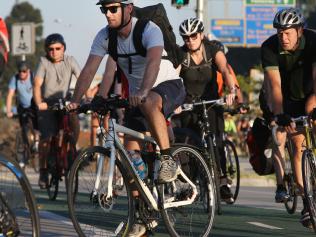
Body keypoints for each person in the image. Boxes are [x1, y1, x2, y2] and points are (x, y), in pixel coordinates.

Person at [66, 1, 186, 236]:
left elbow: (152, 62)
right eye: (104, 10)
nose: (108, 14)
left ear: (128, 8)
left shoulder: (149, 29)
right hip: (137, 97)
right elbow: (90, 69)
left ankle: (168, 159)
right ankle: (142, 215)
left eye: (113, 9)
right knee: (130, 159)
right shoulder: (105, 36)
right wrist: (76, 100)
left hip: (167, 85)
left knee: (150, 100)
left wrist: (142, 91)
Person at [261, 7, 316, 228]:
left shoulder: (313, 40)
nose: (283, 37)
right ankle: (304, 201)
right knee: (292, 140)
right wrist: (280, 114)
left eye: (288, 32)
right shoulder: (269, 47)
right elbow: (274, 85)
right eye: (280, 32)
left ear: (300, 30)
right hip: (284, 97)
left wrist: (313, 103)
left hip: (309, 92)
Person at [177, 17, 239, 204]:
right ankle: (190, 183)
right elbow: (172, 77)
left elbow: (225, 70)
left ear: (201, 35)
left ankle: (222, 183)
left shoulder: (212, 49)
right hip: (189, 104)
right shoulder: (181, 55)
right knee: (188, 143)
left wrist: (232, 91)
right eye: (186, 37)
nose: (190, 40)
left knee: (216, 140)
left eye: (193, 36)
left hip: (212, 102)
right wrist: (174, 102)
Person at [33, 33, 81, 189]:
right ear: (47, 50)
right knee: (46, 139)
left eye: (58, 48)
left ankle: (73, 144)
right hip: (47, 104)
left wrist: (86, 98)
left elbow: (81, 79)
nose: (54, 52)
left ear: (63, 48)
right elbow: (37, 85)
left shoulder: (70, 60)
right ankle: (43, 171)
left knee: (73, 119)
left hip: (65, 101)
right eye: (51, 49)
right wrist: (39, 102)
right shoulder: (43, 62)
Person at [6, 61, 39, 161]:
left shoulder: (33, 77)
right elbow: (10, 95)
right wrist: (8, 111)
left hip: (34, 105)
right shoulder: (15, 79)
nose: (22, 73)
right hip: (22, 107)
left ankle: (37, 143)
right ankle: (26, 148)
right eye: (20, 71)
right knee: (24, 128)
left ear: (28, 71)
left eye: (24, 71)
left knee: (37, 125)